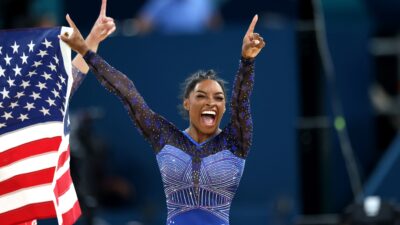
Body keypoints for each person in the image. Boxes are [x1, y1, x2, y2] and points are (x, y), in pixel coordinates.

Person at [60, 11, 265, 225]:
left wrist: (247, 61)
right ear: (187, 103)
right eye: (201, 96)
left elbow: (241, 100)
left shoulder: (235, 142)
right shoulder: (165, 137)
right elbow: (126, 92)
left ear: (224, 107)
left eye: (218, 98)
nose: (210, 102)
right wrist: (85, 50)